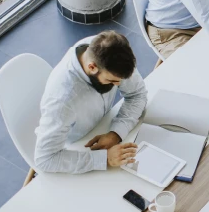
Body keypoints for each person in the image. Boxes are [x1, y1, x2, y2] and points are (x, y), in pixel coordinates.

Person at [34, 31, 147, 174]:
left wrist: (116, 133)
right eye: (111, 81)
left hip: (102, 126)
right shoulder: (62, 101)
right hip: (76, 148)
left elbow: (137, 94)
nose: (119, 85)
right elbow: (45, 159)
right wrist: (104, 159)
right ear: (92, 67)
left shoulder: (108, 49)